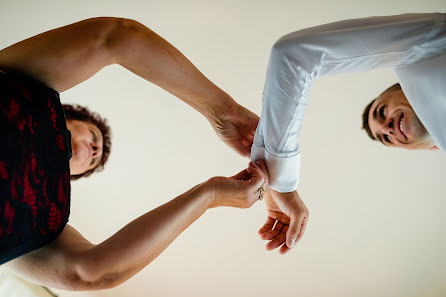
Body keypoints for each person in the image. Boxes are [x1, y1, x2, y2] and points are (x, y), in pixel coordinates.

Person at [0, 17, 268, 289]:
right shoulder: (28, 84)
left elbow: (92, 273)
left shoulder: (48, 225)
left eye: (94, 159)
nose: (94, 149)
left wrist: (209, 194)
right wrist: (223, 110)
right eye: (93, 136)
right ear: (67, 114)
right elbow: (116, 38)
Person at [252, 13, 446, 254]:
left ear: (401, 87)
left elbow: (293, 55)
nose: (387, 128)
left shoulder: (428, 50)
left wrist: (279, 180)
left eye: (382, 110)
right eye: (385, 138)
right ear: (431, 148)